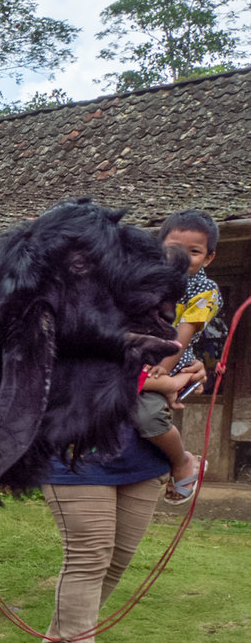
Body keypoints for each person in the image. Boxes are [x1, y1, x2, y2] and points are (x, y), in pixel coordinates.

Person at [37, 361, 208, 643]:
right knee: (89, 558)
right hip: (75, 454)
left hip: (143, 459)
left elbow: (161, 363)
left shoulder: (158, 316)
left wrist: (187, 372)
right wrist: (159, 381)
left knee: (116, 560)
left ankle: (61, 641)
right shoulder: (70, 313)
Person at [134, 211, 222, 505]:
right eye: (174, 249)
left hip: (171, 361)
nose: (181, 258)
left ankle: (182, 460)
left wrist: (161, 373)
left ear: (208, 258)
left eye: (194, 252)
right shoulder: (144, 279)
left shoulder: (204, 291)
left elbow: (180, 338)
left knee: (146, 415)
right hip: (136, 357)